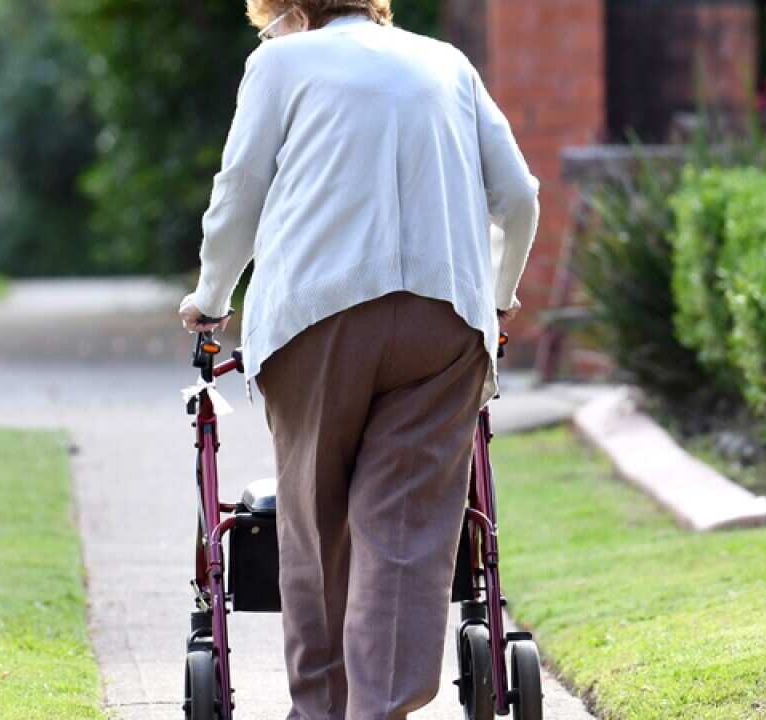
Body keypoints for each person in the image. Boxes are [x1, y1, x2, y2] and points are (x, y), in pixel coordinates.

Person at [177, 1, 539, 717]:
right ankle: (383, 708)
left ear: (293, 11)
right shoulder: (448, 64)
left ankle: (322, 708)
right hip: (446, 321)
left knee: (317, 522)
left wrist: (211, 297)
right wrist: (500, 297)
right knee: (405, 534)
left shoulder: (280, 62)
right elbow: (520, 196)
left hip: (319, 314)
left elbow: (240, 191)